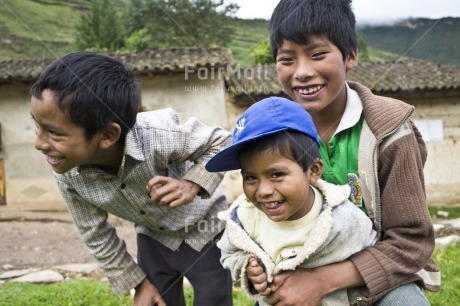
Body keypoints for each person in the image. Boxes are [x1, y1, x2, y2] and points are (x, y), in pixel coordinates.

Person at [265, 0, 441, 305]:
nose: (302, 72)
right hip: (299, 270)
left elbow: (411, 242)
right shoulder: (272, 134)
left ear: (350, 55)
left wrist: (321, 281)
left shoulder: (390, 131)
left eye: (318, 55)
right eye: (287, 59)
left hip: (378, 279)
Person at [30, 51, 233, 306]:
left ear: (107, 135)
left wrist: (191, 183)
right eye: (37, 126)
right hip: (152, 236)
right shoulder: (69, 174)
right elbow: (94, 233)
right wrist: (136, 282)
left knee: (213, 297)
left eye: (53, 133)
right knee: (157, 299)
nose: (38, 143)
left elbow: (222, 142)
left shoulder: (158, 134)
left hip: (204, 229)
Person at [206, 97, 377, 305]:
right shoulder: (244, 218)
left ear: (313, 171)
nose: (264, 191)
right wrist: (248, 267)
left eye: (276, 174)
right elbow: (229, 252)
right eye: (250, 177)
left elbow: (373, 257)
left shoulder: (342, 220)